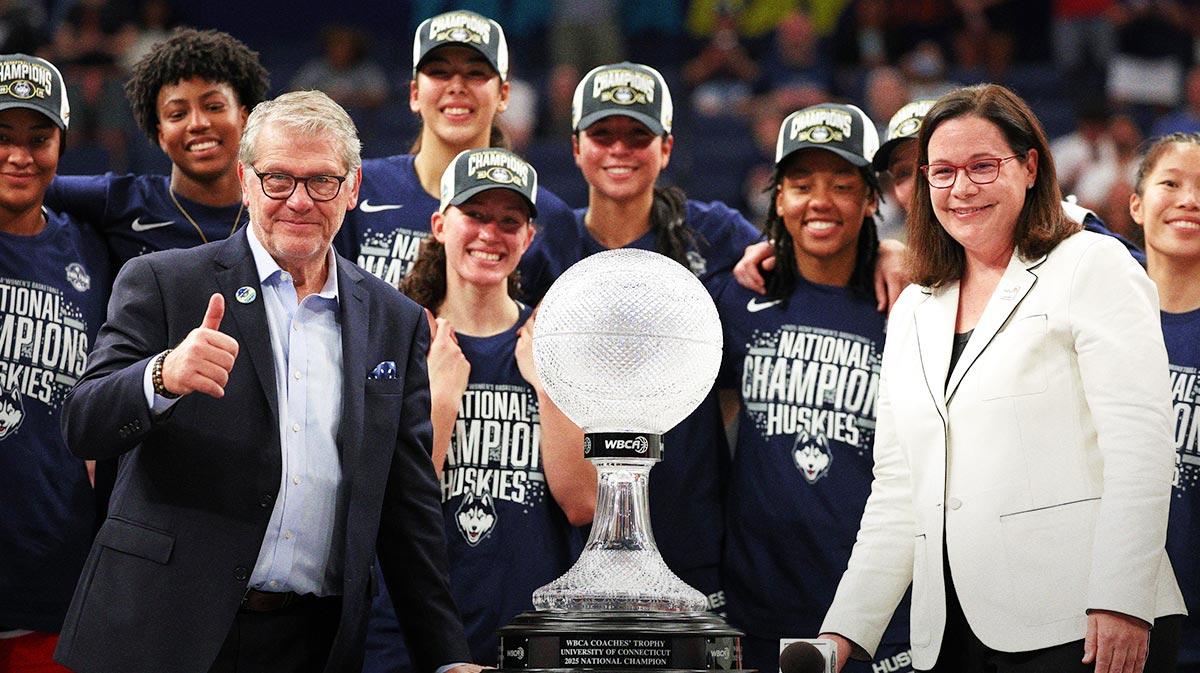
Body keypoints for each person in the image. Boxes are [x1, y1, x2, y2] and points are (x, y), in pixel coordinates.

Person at [54, 90, 477, 673]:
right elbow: (83, 425)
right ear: (246, 182)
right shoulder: (164, 281)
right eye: (278, 179)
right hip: (162, 632)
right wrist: (162, 376)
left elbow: (407, 510)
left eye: (322, 181)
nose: (299, 201)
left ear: (353, 189)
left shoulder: (394, 321)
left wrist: (447, 659)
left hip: (313, 643)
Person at [817, 84, 1185, 673]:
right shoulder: (915, 306)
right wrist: (843, 633)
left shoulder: (1092, 263)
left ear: (1031, 165)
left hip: (1086, 625)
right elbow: (897, 493)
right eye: (941, 172)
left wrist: (1122, 599)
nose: (960, 188)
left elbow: (1141, 449)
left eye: (982, 166)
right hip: (950, 635)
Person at [530, 60, 763, 613]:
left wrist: (893, 253)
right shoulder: (549, 249)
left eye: (638, 135)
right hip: (574, 543)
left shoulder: (716, 233)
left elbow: (792, 262)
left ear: (666, 148)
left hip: (692, 528)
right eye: (602, 134)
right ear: (576, 148)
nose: (619, 150)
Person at [368, 148, 594, 669]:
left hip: (531, 638)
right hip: (408, 637)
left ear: (529, 238)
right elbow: (385, 512)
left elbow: (583, 504)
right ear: (440, 224)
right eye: (475, 215)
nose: (491, 233)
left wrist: (549, 385)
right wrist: (440, 405)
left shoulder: (557, 340)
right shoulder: (396, 336)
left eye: (509, 220)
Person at [713, 102, 912, 673]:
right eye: (801, 185)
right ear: (778, 198)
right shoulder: (740, 298)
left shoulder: (909, 303)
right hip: (756, 608)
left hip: (878, 616)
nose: (820, 201)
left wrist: (906, 255)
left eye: (842, 185)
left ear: (871, 199)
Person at [335, 10, 576, 303]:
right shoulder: (359, 188)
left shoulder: (546, 215)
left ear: (503, 95)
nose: (457, 86)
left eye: (476, 73)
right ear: (414, 93)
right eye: (439, 72)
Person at [0, 53, 110, 673]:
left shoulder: (91, 254)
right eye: (2, 138)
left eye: (38, 139)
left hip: (54, 583)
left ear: (62, 143)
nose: (20, 156)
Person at [45, 27, 269, 267]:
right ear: (160, 133)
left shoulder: (276, 211)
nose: (198, 124)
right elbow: (22, 187)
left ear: (244, 118)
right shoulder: (120, 202)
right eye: (177, 114)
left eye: (214, 107)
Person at [1128, 132, 1200, 672]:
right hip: (1097, 621)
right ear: (1136, 204)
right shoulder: (1093, 313)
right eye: (1170, 183)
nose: (1189, 199)